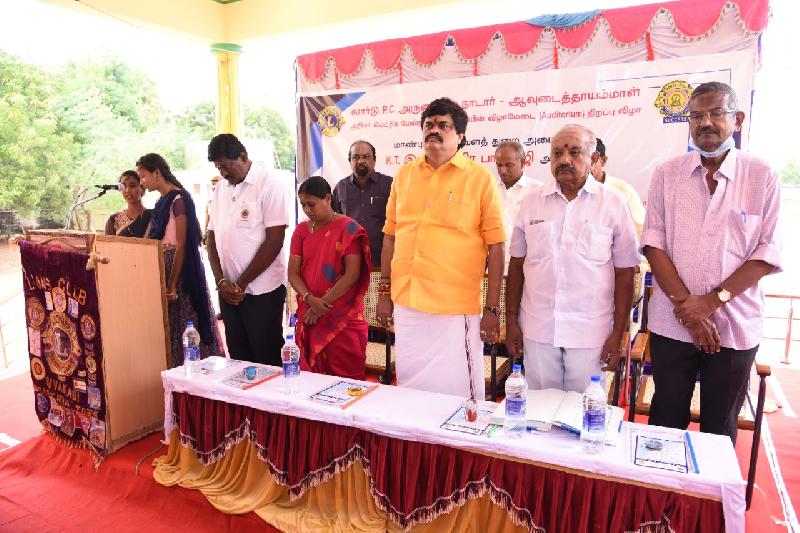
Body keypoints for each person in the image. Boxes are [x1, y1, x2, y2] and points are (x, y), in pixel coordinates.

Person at [641, 81, 782, 443]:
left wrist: (709, 303)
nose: (705, 122)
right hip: (672, 325)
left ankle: (709, 500)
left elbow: (766, 253)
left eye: (715, 113)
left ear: (737, 119)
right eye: (696, 115)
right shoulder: (666, 174)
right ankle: (660, 497)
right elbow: (654, 244)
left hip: (733, 329)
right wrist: (688, 309)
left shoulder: (761, 175)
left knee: (719, 429)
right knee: (664, 421)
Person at [376, 97, 505, 399]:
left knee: (456, 392)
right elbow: (391, 237)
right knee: (410, 385)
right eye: (428, 125)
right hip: (408, 302)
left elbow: (496, 246)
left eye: (443, 125)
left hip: (454, 308)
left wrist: (492, 307)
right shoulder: (404, 176)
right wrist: (384, 292)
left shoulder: (480, 179)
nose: (434, 130)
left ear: (460, 136)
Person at [504, 125, 640, 393]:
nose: (565, 160)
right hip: (538, 327)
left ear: (593, 160)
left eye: (575, 152)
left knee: (584, 413)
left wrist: (619, 333)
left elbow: (626, 272)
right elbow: (517, 265)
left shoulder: (613, 204)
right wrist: (511, 322)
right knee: (539, 410)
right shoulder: (532, 202)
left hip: (591, 332)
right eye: (557, 153)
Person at [206, 134, 292, 367]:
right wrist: (221, 281)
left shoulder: (270, 184)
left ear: (242, 157)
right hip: (229, 292)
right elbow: (211, 237)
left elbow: (275, 241)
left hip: (262, 291)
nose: (223, 172)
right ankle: (243, 405)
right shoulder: (221, 189)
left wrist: (241, 283)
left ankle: (270, 405)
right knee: (239, 360)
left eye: (226, 166)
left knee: (266, 358)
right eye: (218, 167)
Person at [136, 153, 223, 368]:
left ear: (157, 173)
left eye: (143, 176)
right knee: (171, 328)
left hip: (180, 273)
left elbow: (182, 245)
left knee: (185, 325)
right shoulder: (161, 202)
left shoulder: (178, 199)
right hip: (162, 270)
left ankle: (194, 375)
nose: (141, 182)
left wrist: (172, 285)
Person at [288, 176, 371, 379]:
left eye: (311, 204)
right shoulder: (301, 231)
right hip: (309, 312)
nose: (307, 210)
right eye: (303, 205)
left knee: (347, 382)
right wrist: (310, 299)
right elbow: (293, 272)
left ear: (327, 198)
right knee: (310, 381)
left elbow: (352, 275)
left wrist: (321, 305)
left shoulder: (349, 229)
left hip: (342, 315)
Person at [332, 140, 392, 267]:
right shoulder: (340, 188)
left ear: (374, 160)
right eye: (355, 157)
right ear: (350, 161)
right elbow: (334, 225)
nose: (360, 161)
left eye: (366, 157)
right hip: (349, 264)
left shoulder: (390, 185)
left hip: (383, 262)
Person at [494, 141, 543, 274]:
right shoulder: (489, 190)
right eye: (499, 165)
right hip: (494, 268)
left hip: (527, 269)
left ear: (523, 163)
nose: (502, 170)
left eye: (509, 165)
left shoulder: (538, 191)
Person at [591, 137, 646, 236]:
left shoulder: (624, 192)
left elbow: (640, 233)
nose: (585, 165)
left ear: (603, 161)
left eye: (592, 159)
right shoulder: (566, 192)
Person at [104, 170, 152, 237]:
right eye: (123, 187)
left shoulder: (152, 217)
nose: (127, 190)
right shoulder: (114, 220)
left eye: (132, 186)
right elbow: (106, 246)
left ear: (142, 188)